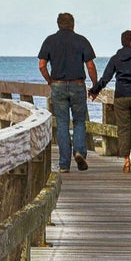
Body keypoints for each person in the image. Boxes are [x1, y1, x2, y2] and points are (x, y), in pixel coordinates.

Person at [37, 12, 97, 172]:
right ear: (73, 24)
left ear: (58, 24)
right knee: (79, 122)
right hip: (77, 85)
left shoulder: (50, 41)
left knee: (62, 124)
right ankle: (79, 152)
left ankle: (64, 164)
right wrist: (95, 86)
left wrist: (50, 81)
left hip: (58, 85)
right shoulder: (81, 40)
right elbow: (90, 66)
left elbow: (42, 65)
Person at [90, 29, 131, 172]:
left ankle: (126, 160)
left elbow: (105, 79)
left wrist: (94, 91)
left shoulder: (115, 58)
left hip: (121, 97)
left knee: (123, 129)